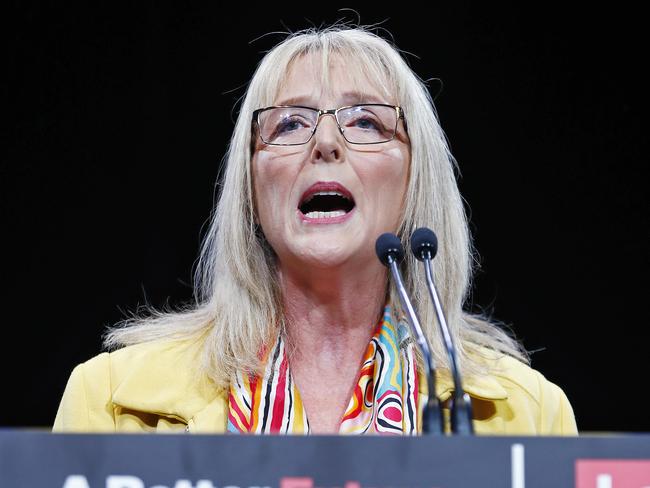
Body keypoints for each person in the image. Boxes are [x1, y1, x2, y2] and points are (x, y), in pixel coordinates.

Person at [53, 25, 577, 435]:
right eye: (290, 124)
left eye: (366, 121)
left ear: (417, 181)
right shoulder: (111, 401)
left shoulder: (531, 415)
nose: (325, 142)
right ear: (252, 191)